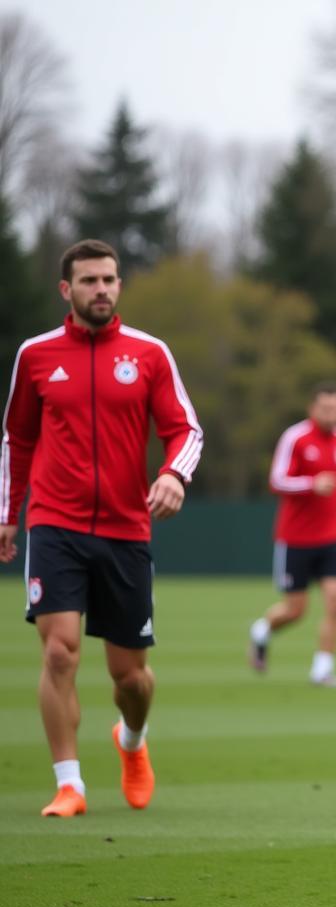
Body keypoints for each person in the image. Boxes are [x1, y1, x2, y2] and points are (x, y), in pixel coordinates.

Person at [0, 238, 203, 817]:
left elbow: (186, 429)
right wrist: (7, 515)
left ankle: (131, 741)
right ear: (66, 290)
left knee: (131, 678)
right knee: (59, 653)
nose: (101, 290)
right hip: (54, 523)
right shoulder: (35, 355)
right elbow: (17, 438)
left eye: (109, 280)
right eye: (89, 281)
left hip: (125, 529)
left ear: (119, 285)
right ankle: (70, 784)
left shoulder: (149, 353)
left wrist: (173, 476)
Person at [248, 383, 336, 688]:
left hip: (333, 537)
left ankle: (321, 670)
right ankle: (261, 630)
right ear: (312, 409)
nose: (332, 414)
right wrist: (311, 484)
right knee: (295, 610)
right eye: (325, 409)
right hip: (295, 538)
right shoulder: (295, 438)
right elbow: (277, 480)